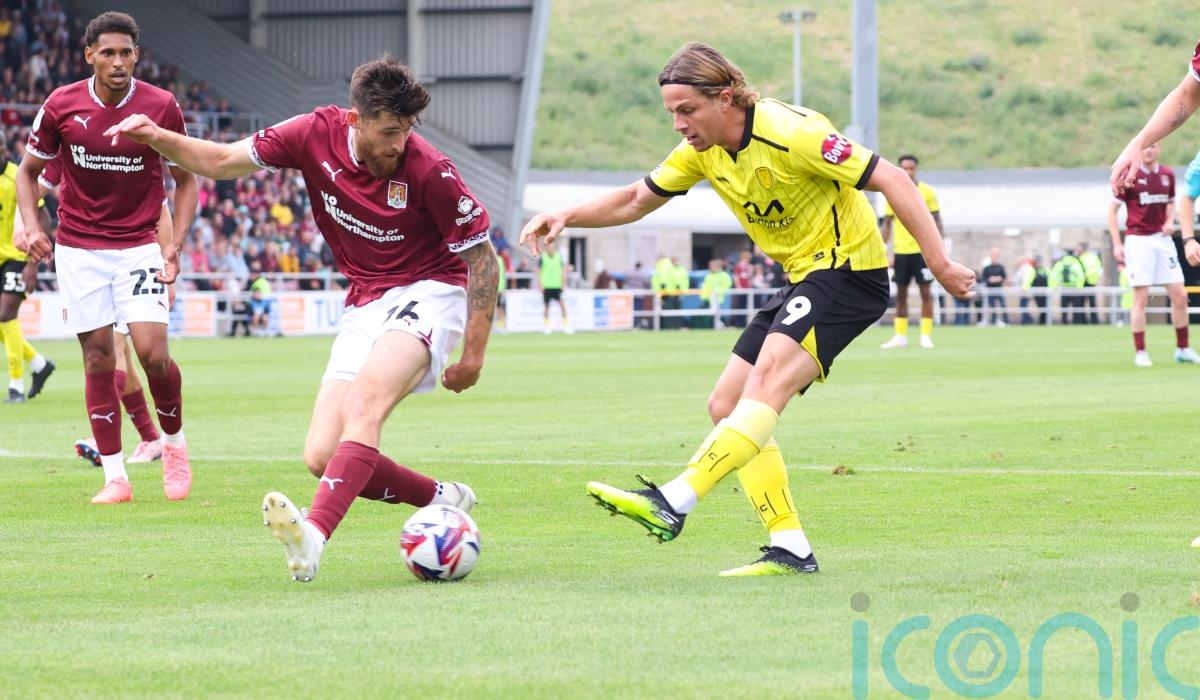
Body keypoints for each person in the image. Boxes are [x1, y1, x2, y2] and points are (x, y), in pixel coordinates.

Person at [519, 43, 975, 575]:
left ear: (726, 97)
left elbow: (892, 178)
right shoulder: (700, 151)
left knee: (766, 382)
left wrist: (940, 263)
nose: (678, 124)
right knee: (726, 404)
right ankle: (790, 547)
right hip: (804, 276)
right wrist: (567, 215)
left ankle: (673, 501)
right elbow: (637, 199)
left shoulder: (793, 132)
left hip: (849, 271)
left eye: (687, 109)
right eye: (671, 112)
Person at [105, 55, 497, 582]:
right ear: (355, 120)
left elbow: (482, 260)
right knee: (321, 455)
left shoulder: (430, 170)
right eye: (388, 132)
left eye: (406, 130)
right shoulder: (312, 134)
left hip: (430, 291)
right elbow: (220, 160)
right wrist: (157, 137)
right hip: (365, 300)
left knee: (363, 407)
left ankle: (313, 537)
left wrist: (473, 355)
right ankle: (442, 497)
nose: (398, 144)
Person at [16, 12, 196, 504]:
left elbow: (186, 181)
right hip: (79, 250)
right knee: (98, 359)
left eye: (126, 53)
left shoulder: (160, 106)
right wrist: (31, 225)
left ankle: (174, 446)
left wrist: (175, 243)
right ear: (89, 55)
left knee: (153, 354)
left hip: (138, 247)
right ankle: (115, 477)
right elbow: (28, 174)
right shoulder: (61, 105)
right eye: (108, 52)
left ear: (137, 56)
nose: (118, 62)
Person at [34, 154, 168, 465]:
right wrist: (25, 220)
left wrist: (166, 265)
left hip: (129, 260)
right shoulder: (68, 151)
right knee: (123, 356)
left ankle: (105, 437)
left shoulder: (130, 156)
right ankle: (151, 438)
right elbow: (31, 185)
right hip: (87, 262)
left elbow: (162, 210)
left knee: (116, 348)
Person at [1107, 142, 1199, 367]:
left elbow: (1172, 204)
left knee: (1179, 295)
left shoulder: (1167, 175)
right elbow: (1112, 211)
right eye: (1145, 147)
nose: (1149, 150)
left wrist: (1169, 221)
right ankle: (1140, 351)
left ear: (1159, 149)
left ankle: (1183, 348)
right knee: (1141, 298)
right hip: (1138, 240)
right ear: (1140, 151)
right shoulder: (1130, 176)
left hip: (1162, 240)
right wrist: (1117, 244)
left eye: (1153, 146)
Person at [0, 131, 55, 403]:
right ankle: (39, 364)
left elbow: (44, 218)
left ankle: (16, 386)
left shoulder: (17, 177)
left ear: (3, 148)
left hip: (17, 256)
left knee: (5, 314)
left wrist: (32, 263)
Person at [880, 154, 943, 349]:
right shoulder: (892, 192)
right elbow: (887, 223)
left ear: (916, 169)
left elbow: (937, 220)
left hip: (922, 252)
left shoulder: (928, 192)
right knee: (900, 295)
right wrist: (882, 248)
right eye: (904, 168)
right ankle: (900, 336)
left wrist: (940, 248)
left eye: (911, 168)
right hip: (901, 252)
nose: (908, 171)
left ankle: (925, 335)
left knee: (926, 293)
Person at [538, 239, 570, 334]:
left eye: (552, 246)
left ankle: (566, 326)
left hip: (557, 286)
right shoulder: (543, 257)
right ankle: (546, 327)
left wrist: (564, 283)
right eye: (549, 246)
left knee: (562, 306)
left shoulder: (558, 257)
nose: (550, 248)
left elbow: (563, 271)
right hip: (547, 286)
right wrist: (540, 285)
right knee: (546, 307)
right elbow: (539, 272)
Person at [1050, 250, 1085, 325]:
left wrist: (1053, 287)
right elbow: (1080, 275)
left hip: (1063, 288)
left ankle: (1064, 322)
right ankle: (1076, 322)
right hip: (1074, 288)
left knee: (1064, 307)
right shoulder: (1075, 262)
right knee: (1076, 307)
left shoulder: (1060, 263)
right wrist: (1079, 287)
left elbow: (1054, 275)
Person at [1076, 241, 1103, 324]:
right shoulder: (1078, 257)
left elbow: (1096, 269)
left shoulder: (1092, 257)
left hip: (1090, 282)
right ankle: (1082, 321)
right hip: (1080, 283)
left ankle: (1094, 321)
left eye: (1079, 248)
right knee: (1080, 303)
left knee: (1092, 303)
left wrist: (1087, 275)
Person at [979, 247, 1007, 327]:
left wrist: (999, 279)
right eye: (993, 255)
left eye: (996, 255)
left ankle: (1006, 321)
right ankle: (994, 321)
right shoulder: (987, 268)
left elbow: (1004, 277)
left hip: (999, 289)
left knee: (1003, 305)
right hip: (990, 290)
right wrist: (990, 279)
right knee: (992, 306)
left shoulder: (1000, 267)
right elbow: (983, 278)